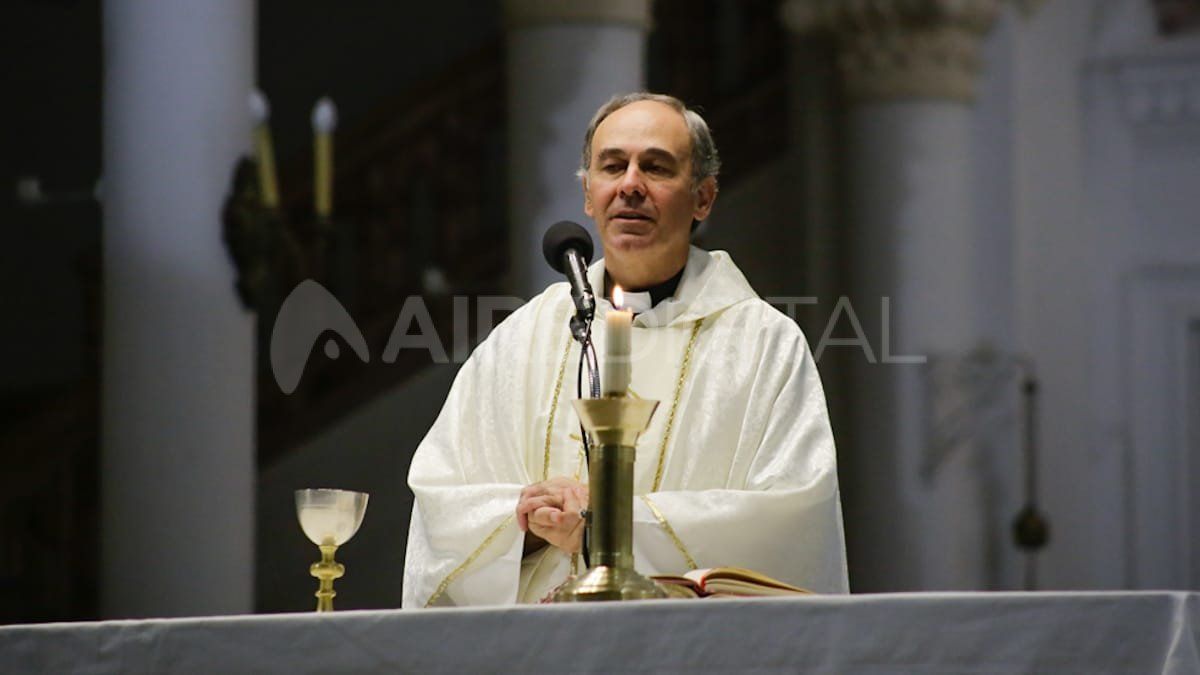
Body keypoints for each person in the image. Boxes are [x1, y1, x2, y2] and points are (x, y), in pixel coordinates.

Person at [402, 93, 847, 607]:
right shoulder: (520, 341)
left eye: (656, 167)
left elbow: (793, 514)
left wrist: (611, 524)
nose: (631, 185)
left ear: (703, 198)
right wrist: (521, 521)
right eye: (612, 166)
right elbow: (442, 495)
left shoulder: (761, 346)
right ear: (589, 195)